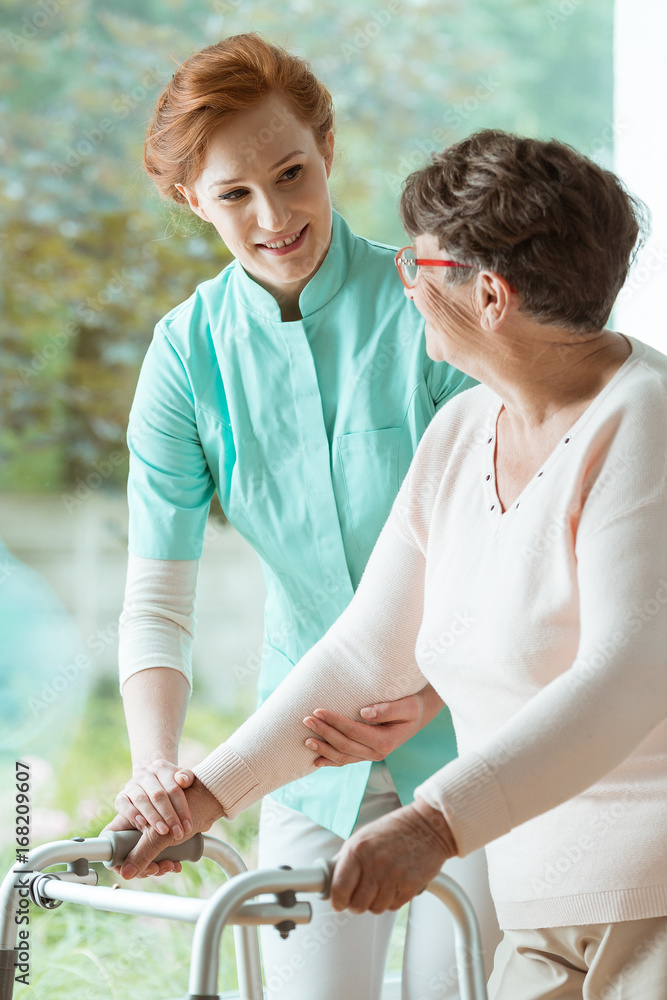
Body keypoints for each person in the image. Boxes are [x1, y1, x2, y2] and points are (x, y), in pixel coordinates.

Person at [114, 129, 667, 1000]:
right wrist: (202, 798)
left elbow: (625, 678)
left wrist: (434, 825)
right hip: (540, 918)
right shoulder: (462, 431)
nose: (406, 284)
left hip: (649, 906)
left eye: (420, 265)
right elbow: (364, 649)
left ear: (490, 295)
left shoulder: (644, 423)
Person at [109, 32, 500, 1000]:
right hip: (306, 745)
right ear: (189, 199)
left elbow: (511, 546)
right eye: (234, 194)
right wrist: (158, 770)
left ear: (326, 148)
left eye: (291, 174)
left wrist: (435, 692)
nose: (274, 216)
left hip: (474, 728)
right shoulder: (185, 355)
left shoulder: (432, 303)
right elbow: (156, 601)